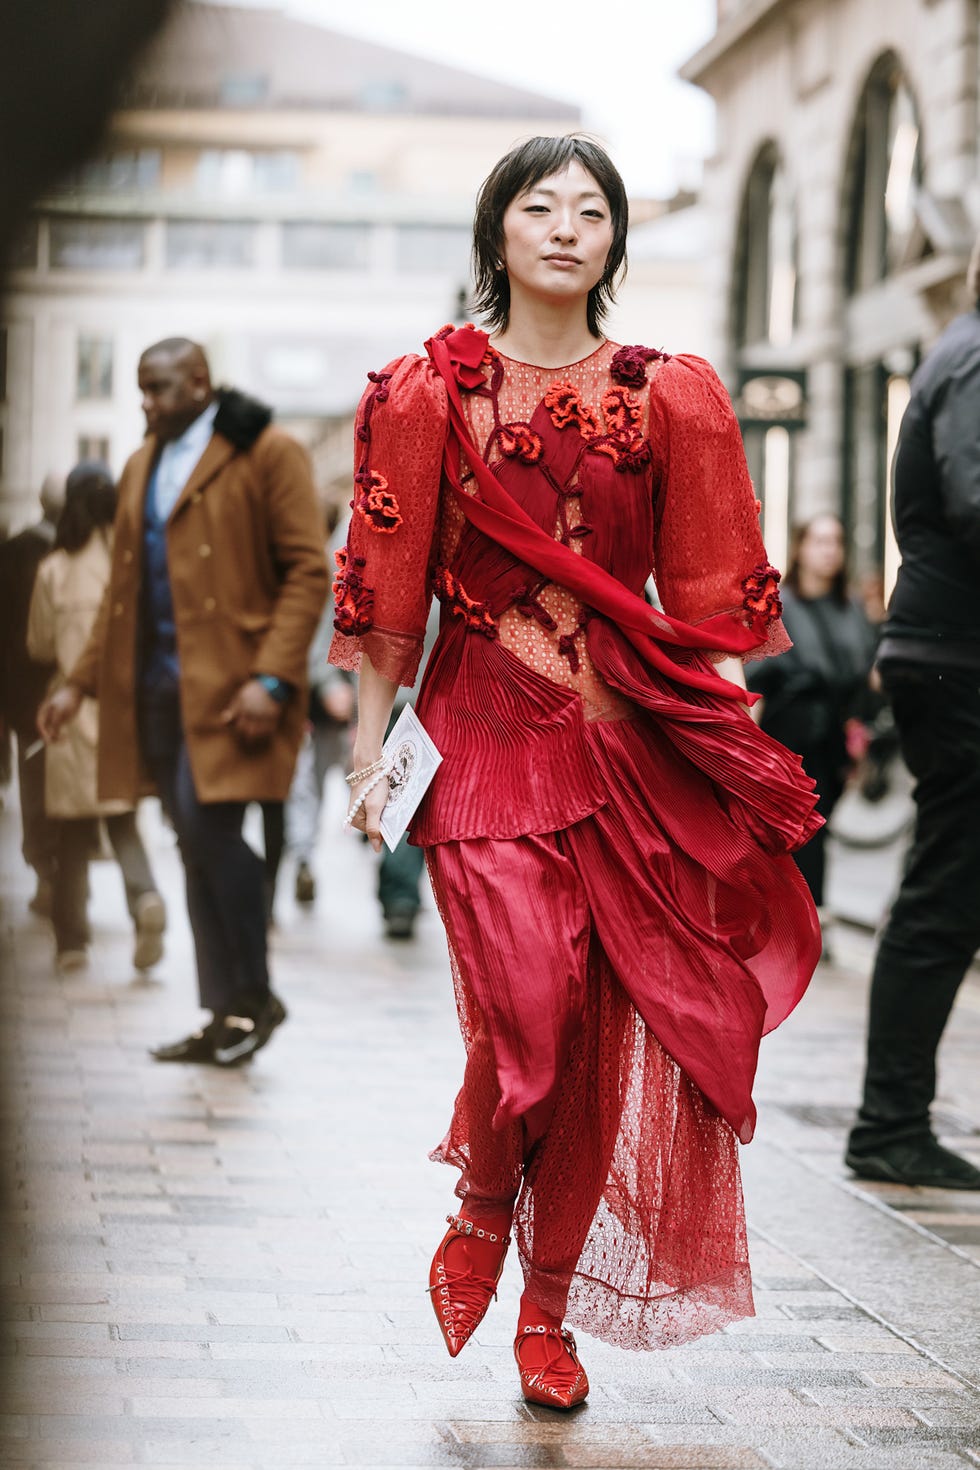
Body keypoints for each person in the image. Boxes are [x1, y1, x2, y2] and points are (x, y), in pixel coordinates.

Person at [331, 135, 821, 1407]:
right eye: (536, 206)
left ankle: (543, 1315)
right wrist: (365, 760)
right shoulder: (427, 388)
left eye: (589, 209)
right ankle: (484, 1203)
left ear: (613, 242)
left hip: (627, 754)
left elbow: (713, 608)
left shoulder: (672, 396)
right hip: (477, 740)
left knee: (605, 1042)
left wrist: (734, 752)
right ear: (497, 230)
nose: (563, 226)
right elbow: (382, 598)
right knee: (532, 1023)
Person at [38, 338, 328, 1065]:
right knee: (194, 846)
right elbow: (122, 597)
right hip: (157, 696)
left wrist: (272, 678)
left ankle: (255, 997)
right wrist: (76, 684)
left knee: (209, 833)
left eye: (160, 388)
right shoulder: (142, 465)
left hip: (235, 693)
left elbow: (307, 572)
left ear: (199, 383)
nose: (146, 402)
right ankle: (224, 1012)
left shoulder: (267, 451)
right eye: (141, 389)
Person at [845, 243, 980, 1192]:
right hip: (957, 661)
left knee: (950, 888)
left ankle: (892, 1119)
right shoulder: (974, 356)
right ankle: (888, 1124)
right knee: (947, 891)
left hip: (949, 654)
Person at [27, 463, 165, 974]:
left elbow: (38, 643)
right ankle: (145, 896)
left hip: (68, 704)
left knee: (70, 833)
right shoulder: (123, 566)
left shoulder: (53, 568)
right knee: (122, 819)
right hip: (120, 710)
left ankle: (72, 942)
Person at [746, 514, 877, 937]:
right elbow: (759, 678)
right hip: (791, 730)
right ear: (802, 547)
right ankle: (804, 914)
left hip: (833, 735)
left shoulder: (851, 608)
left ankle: (803, 913)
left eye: (835, 541)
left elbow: (863, 675)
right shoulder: (781, 605)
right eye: (819, 541)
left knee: (818, 824)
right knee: (798, 826)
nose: (828, 550)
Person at [0, 475, 64, 914]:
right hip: (69, 691)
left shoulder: (17, 550)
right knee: (66, 784)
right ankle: (63, 875)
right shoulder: (77, 552)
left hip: (25, 697)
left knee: (35, 782)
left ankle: (47, 873)